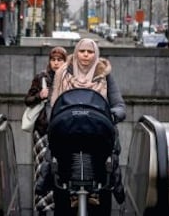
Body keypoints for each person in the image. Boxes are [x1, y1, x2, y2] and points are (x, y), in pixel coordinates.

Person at [50, 38, 126, 215]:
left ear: (96, 54)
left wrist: (114, 114)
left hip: (97, 135)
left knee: (108, 163)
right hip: (66, 134)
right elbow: (51, 104)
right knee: (55, 166)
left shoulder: (104, 75)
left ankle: (110, 190)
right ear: (76, 52)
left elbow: (119, 104)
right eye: (82, 51)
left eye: (90, 52)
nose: (85, 55)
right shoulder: (62, 73)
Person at [24, 46, 67, 215]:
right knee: (42, 168)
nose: (56, 63)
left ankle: (59, 208)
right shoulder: (42, 77)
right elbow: (27, 100)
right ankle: (42, 209)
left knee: (60, 170)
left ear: (65, 61)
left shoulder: (69, 78)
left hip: (63, 131)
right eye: (53, 59)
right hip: (43, 131)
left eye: (59, 60)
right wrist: (40, 96)